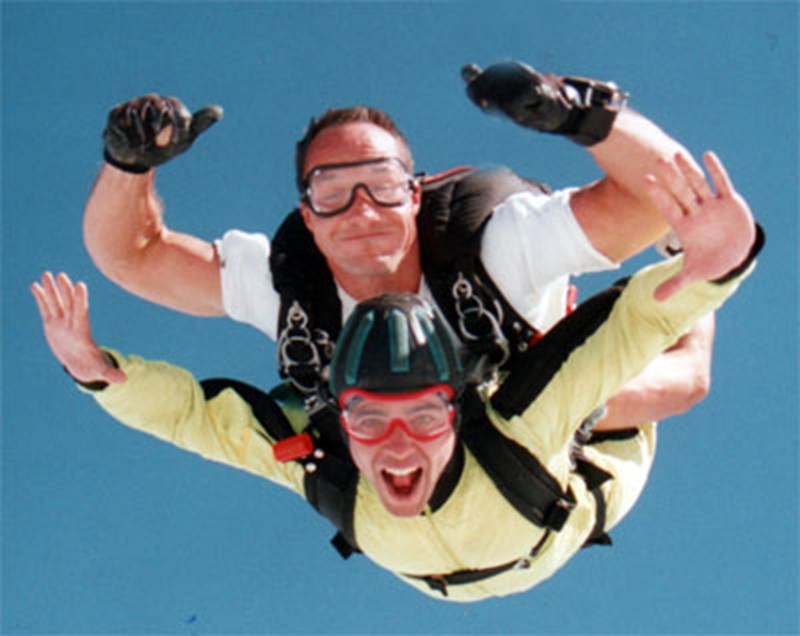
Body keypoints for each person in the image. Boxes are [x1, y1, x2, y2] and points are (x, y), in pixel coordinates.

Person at [37, 151, 762, 601]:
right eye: (368, 420)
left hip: (557, 466)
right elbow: (199, 419)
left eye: (417, 416)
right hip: (489, 474)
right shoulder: (325, 449)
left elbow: (634, 330)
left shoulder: (513, 413)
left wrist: (708, 263)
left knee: (665, 380)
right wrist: (98, 372)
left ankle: (670, 270)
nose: (394, 444)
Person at [84, 60, 714, 430]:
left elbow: (656, 198)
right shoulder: (287, 281)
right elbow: (131, 257)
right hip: (398, 440)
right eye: (332, 193)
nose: (362, 212)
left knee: (685, 379)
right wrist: (128, 165)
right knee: (308, 428)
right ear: (307, 217)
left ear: (414, 196)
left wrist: (581, 115)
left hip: (541, 400)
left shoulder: (498, 244)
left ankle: (688, 277)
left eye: (382, 187)